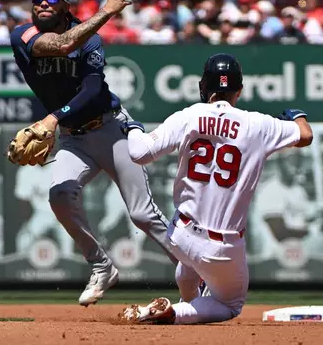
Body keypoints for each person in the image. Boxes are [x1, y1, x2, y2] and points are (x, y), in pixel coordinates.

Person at [9, 0, 178, 306]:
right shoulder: (22, 34)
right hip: (74, 138)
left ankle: (195, 272)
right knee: (59, 195)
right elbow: (60, 45)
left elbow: (91, 89)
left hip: (111, 129)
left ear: (66, 3)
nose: (43, 1)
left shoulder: (90, 39)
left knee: (143, 214)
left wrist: (53, 117)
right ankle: (101, 265)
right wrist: (106, 12)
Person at [118, 53, 313, 324]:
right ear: (240, 91)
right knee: (230, 304)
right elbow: (305, 135)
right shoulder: (259, 125)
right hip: (222, 246)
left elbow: (139, 152)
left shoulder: (190, 115)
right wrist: (298, 116)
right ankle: (174, 313)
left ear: (203, 87)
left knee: (189, 262)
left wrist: (134, 129)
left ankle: (185, 302)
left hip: (181, 234)